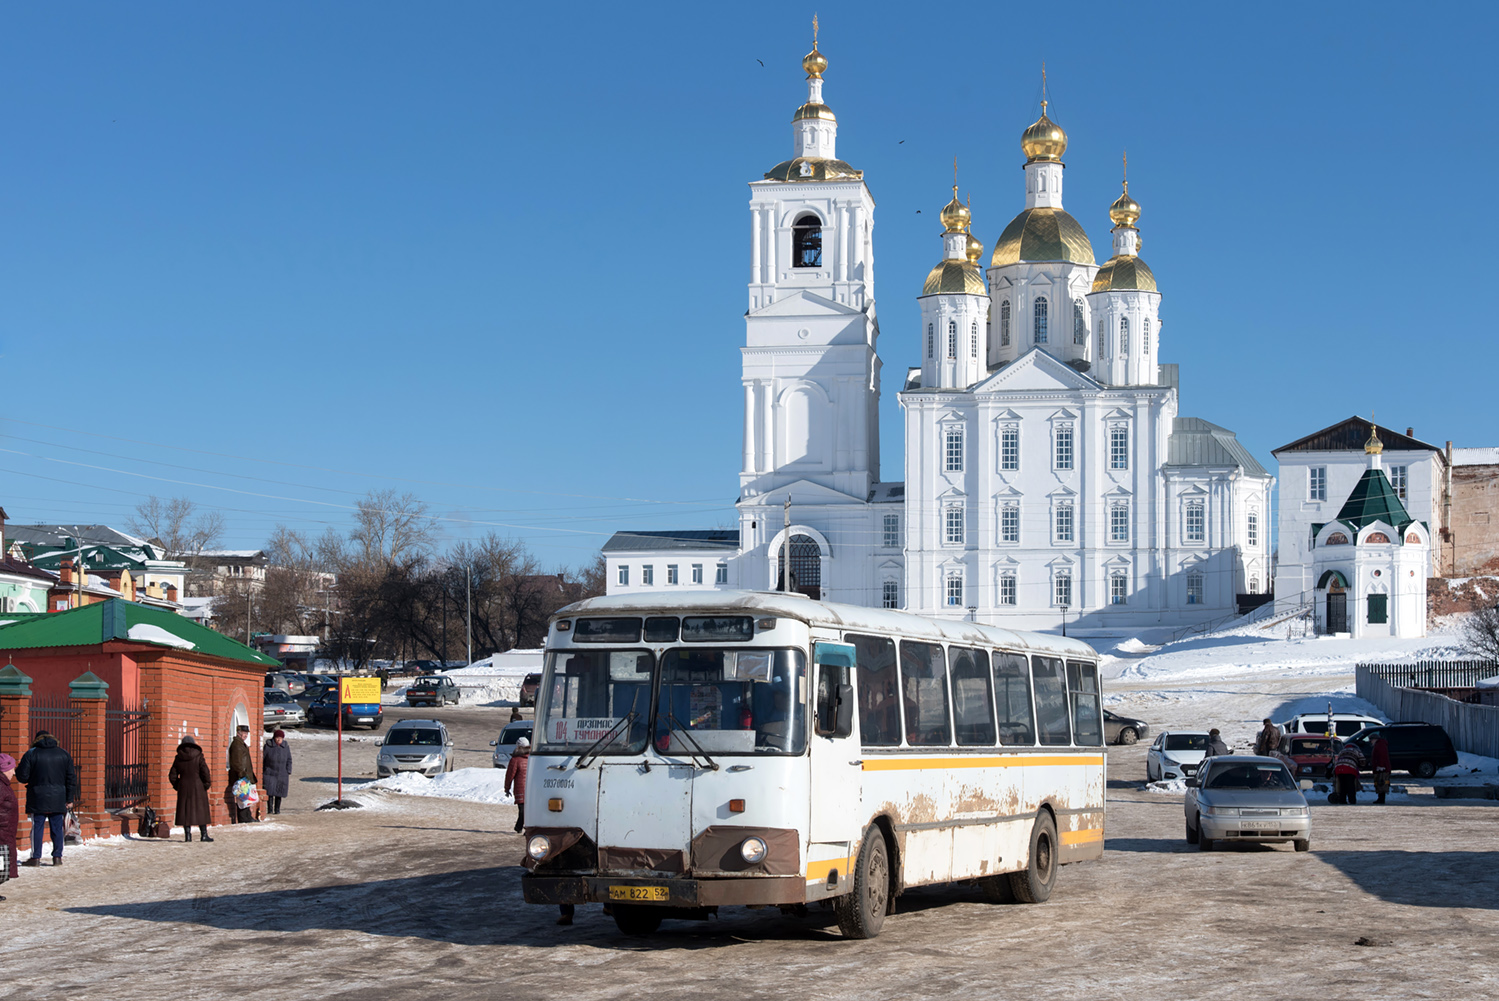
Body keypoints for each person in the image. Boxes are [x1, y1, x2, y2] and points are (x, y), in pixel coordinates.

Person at [16, 730, 78, 867]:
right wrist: (69, 799)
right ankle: (57, 857)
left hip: (37, 796)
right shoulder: (64, 754)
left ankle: (36, 857)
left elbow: (22, 777)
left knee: (37, 826)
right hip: (58, 797)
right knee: (57, 827)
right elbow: (71, 779)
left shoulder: (31, 753)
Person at [168, 735, 214, 843]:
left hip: (184, 786)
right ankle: (204, 835)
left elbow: (172, 775)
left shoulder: (178, 758)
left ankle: (187, 836)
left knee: (185, 811)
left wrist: (178, 785)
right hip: (198, 786)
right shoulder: (199, 756)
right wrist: (206, 784)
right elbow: (205, 772)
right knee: (201, 810)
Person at [227, 725, 257, 823]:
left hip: (244, 776)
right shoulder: (236, 745)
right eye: (244, 733)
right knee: (242, 798)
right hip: (241, 776)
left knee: (246, 797)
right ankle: (244, 818)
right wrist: (242, 774)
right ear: (238, 733)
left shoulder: (241, 744)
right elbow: (236, 762)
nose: (245, 735)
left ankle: (247, 816)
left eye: (246, 733)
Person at [1, 752, 19, 899]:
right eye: (12, 768)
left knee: (3, 867)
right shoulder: (1, 786)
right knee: (2, 867)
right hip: (2, 833)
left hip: (5, 832)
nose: (14, 772)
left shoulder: (4, 785)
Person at [261, 729, 293, 816]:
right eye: (277, 737)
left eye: (280, 738)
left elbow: (289, 760)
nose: (278, 739)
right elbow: (263, 759)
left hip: (282, 774)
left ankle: (277, 809)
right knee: (270, 792)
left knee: (279, 792)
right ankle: (270, 809)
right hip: (270, 773)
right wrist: (263, 770)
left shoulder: (285, 747)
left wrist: (288, 770)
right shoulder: (268, 746)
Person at [504, 737, 530, 834]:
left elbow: (509, 775)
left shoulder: (515, 760)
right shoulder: (533, 758)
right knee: (527, 810)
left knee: (522, 810)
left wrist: (507, 788)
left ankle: (520, 827)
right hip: (532, 789)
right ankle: (522, 828)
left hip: (520, 789)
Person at [1370, 736, 1392, 805]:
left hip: (1381, 768)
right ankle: (1380, 798)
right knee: (1381, 783)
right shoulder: (1380, 744)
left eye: (1371, 740)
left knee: (1381, 783)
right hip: (1381, 768)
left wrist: (1381, 765)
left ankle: (1381, 799)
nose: (1370, 742)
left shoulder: (1379, 745)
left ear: (1374, 739)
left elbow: (1381, 756)